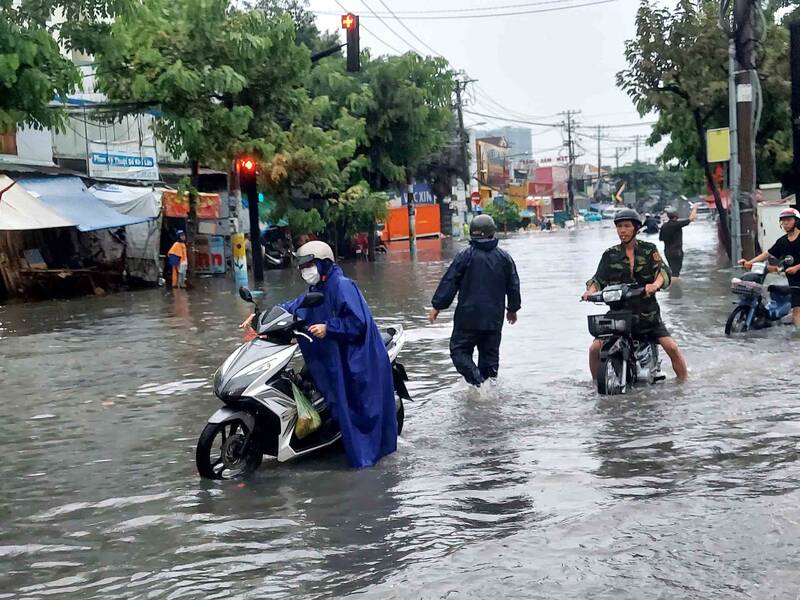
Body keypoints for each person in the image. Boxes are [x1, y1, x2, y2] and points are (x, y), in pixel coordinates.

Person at [279, 240, 397, 468]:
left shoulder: (342, 286)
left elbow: (357, 322)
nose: (305, 271)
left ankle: (366, 461)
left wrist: (328, 327)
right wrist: (261, 320)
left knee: (358, 410)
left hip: (356, 357)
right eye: (302, 267)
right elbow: (294, 306)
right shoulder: (316, 290)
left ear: (324, 263)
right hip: (333, 358)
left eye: (309, 265)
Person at [582, 208, 688, 381]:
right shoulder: (610, 255)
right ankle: (596, 385)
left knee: (672, 348)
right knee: (594, 349)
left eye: (626, 226)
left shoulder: (649, 250)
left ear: (636, 228)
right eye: (619, 227)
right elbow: (597, 279)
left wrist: (654, 285)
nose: (622, 230)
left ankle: (685, 384)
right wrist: (590, 292)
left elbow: (663, 270)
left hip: (647, 315)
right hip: (618, 317)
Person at [428, 214, 521, 387]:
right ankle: (488, 392)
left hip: (467, 319)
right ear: (493, 233)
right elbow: (513, 286)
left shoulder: (465, 256)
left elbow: (450, 281)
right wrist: (513, 309)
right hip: (494, 320)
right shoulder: (504, 258)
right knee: (490, 362)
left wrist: (437, 307)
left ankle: (478, 384)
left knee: (459, 351)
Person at [739, 207, 800, 326]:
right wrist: (749, 262)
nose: (785, 223)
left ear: (796, 221)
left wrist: (797, 267)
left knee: (797, 311)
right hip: (794, 281)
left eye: (789, 220)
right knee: (796, 310)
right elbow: (767, 254)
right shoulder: (782, 241)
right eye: (783, 220)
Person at [659, 203, 697, 278]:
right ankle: (674, 287)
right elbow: (691, 219)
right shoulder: (676, 225)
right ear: (676, 216)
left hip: (667, 252)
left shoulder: (664, 226)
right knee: (676, 273)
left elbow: (661, 239)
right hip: (677, 252)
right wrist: (695, 208)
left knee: (673, 271)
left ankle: (672, 286)